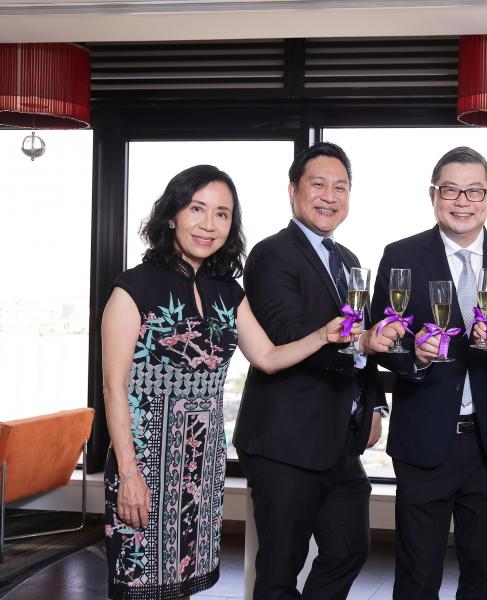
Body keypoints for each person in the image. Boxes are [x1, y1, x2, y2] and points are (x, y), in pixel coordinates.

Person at [102, 164, 370, 599]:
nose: (209, 224)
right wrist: (129, 473)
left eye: (222, 214)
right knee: (142, 585)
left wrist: (324, 334)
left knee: (180, 583)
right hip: (146, 460)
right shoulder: (132, 289)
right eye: (197, 209)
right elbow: (114, 388)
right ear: (172, 214)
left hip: (201, 461)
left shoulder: (227, 290)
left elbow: (267, 357)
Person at [232, 142, 404, 600]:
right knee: (279, 570)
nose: (330, 196)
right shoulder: (271, 255)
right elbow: (288, 334)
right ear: (294, 191)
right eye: (318, 184)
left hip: (338, 441)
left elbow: (363, 338)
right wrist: (361, 341)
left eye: (341, 187)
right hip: (285, 441)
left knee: (349, 549)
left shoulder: (346, 260)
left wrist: (375, 408)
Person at [369, 146, 487, 599]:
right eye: (451, 190)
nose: (462, 201)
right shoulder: (400, 255)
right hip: (424, 438)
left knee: (485, 572)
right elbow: (381, 343)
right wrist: (414, 357)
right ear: (433, 194)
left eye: (474, 191)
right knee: (417, 572)